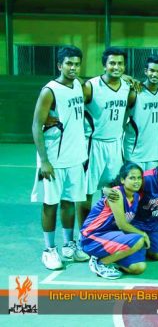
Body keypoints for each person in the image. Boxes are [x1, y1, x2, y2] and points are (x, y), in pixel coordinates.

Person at [31, 45, 89, 269]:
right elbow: (36, 125)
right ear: (59, 65)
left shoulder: (78, 84)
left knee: (69, 202)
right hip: (53, 159)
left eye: (77, 64)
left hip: (74, 157)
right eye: (69, 64)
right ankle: (49, 250)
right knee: (50, 204)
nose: (73, 68)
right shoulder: (50, 91)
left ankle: (68, 245)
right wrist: (44, 161)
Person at [81, 47, 134, 229]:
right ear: (104, 65)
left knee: (113, 190)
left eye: (120, 63)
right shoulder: (91, 86)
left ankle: (104, 229)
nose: (116, 67)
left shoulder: (128, 87)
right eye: (112, 63)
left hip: (115, 145)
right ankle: (84, 234)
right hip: (94, 145)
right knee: (86, 192)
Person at [80, 163, 149, 279]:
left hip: (111, 237)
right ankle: (100, 263)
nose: (137, 181)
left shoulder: (136, 197)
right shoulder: (115, 194)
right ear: (122, 180)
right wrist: (143, 234)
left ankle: (108, 258)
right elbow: (122, 225)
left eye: (139, 178)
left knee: (138, 267)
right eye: (132, 178)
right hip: (92, 238)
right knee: (139, 240)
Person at [123, 56, 158, 170]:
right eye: (152, 70)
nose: (155, 74)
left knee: (151, 182)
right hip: (135, 153)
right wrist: (122, 76)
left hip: (156, 153)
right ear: (145, 71)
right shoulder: (135, 92)